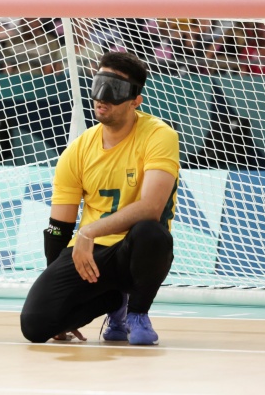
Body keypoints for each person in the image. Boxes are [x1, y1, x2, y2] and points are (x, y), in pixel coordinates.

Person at [20, 52, 178, 345]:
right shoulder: (78, 150)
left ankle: (137, 313)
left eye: (114, 90)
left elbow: (151, 208)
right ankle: (113, 301)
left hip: (133, 250)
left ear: (135, 100)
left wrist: (90, 230)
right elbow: (58, 227)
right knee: (35, 325)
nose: (102, 98)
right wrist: (60, 297)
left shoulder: (159, 135)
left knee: (151, 232)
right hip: (89, 254)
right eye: (99, 86)